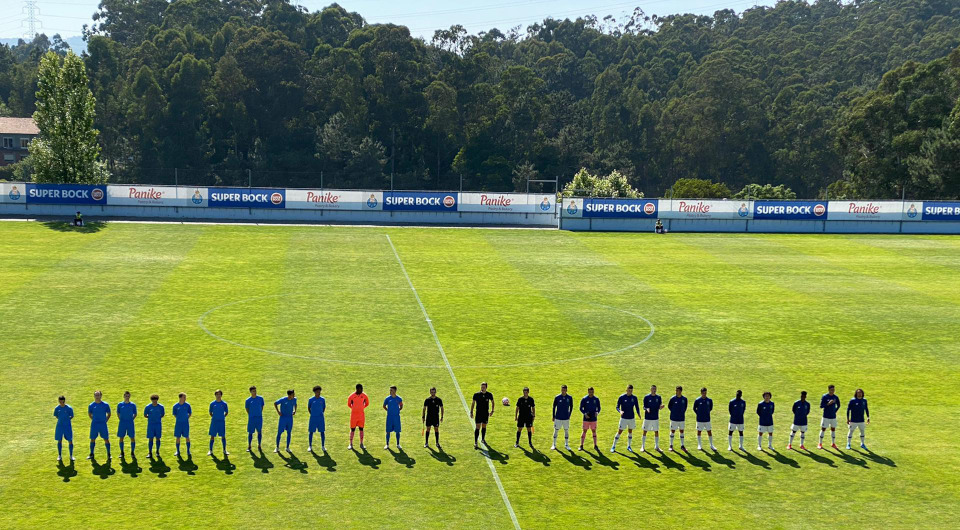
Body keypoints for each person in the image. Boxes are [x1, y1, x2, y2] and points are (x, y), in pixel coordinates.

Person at [611, 384, 640, 453]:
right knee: (619, 431)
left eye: (631, 391)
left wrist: (638, 413)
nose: (630, 392)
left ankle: (629, 446)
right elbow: (617, 407)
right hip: (623, 418)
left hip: (631, 418)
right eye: (629, 390)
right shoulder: (622, 397)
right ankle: (613, 446)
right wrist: (620, 411)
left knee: (630, 431)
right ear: (626, 390)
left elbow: (637, 407)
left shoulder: (634, 398)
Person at [87, 390, 111, 460]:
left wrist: (105, 420)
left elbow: (109, 414)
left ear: (101, 396)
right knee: (92, 439)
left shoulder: (105, 405)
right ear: (94, 396)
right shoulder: (91, 405)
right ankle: (91, 454)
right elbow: (89, 414)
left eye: (98, 395)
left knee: (106, 439)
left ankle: (109, 454)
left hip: (103, 425)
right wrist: (94, 420)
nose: (97, 397)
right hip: (94, 425)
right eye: (96, 395)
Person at [470, 382, 495, 449]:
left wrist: (492, 411)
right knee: (478, 427)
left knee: (484, 426)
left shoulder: (489, 395)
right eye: (481, 387)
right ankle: (475, 442)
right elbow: (473, 403)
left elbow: (492, 402)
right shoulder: (476, 395)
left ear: (486, 387)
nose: (482, 388)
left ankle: (483, 439)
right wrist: (471, 412)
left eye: (484, 387)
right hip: (478, 413)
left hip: (485, 414)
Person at [641, 385, 664, 452]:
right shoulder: (646, 397)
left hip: (655, 417)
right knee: (645, 431)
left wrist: (661, 407)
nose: (654, 390)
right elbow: (644, 407)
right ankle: (643, 446)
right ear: (650, 389)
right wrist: (646, 409)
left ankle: (657, 446)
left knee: (656, 431)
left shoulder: (658, 397)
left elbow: (659, 406)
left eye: (655, 389)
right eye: (653, 389)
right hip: (647, 418)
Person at [551, 385, 574, 451]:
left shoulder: (569, 398)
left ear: (566, 390)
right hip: (558, 417)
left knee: (566, 430)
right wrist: (553, 416)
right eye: (562, 390)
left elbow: (571, 406)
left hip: (566, 418)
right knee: (556, 430)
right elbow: (554, 407)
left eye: (564, 390)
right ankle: (554, 444)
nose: (563, 391)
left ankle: (566, 444)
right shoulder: (557, 397)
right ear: (561, 390)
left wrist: (569, 415)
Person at [818, 385, 841, 450]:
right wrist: (828, 404)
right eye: (831, 390)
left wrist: (835, 411)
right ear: (828, 390)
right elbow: (821, 406)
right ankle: (820, 443)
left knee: (833, 429)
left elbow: (839, 405)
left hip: (833, 417)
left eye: (833, 390)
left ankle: (833, 443)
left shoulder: (835, 397)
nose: (832, 391)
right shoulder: (825, 396)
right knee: (823, 429)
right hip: (826, 416)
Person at [116, 391, 137, 458]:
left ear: (129, 396)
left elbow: (135, 414)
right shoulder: (120, 405)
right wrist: (121, 419)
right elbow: (118, 413)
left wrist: (131, 419)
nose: (127, 397)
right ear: (124, 396)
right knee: (121, 437)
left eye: (128, 396)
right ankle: (122, 452)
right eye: (126, 396)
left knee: (132, 438)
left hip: (130, 423)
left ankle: (132, 452)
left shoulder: (133, 405)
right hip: (122, 423)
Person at [347, 384, 368, 450]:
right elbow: (349, 404)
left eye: (362, 389)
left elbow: (367, 403)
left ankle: (361, 443)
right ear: (357, 389)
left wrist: (362, 408)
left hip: (361, 415)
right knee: (352, 429)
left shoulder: (364, 396)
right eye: (360, 389)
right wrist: (354, 408)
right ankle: (350, 444)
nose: (361, 390)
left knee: (361, 429)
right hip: (354, 415)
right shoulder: (352, 396)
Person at [208, 390, 229, 456]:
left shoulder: (224, 404)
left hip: (221, 422)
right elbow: (210, 413)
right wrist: (215, 417)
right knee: (212, 436)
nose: (218, 395)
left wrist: (222, 417)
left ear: (221, 395)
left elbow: (226, 412)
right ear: (215, 395)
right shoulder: (212, 404)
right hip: (214, 422)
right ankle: (210, 450)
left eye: (219, 394)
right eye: (217, 394)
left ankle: (224, 450)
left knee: (223, 436)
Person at [54, 395, 75, 461]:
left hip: (67, 427)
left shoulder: (69, 408)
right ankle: (59, 455)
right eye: (60, 402)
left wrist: (67, 420)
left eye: (62, 402)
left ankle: (71, 455)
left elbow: (72, 416)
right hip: (60, 426)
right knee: (59, 440)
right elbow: (56, 416)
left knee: (70, 440)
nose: (61, 403)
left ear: (64, 401)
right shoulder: (57, 408)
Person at [667, 386, 688, 452]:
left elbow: (685, 407)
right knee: (672, 431)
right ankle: (671, 445)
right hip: (674, 418)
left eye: (678, 391)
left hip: (681, 418)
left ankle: (682, 445)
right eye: (676, 390)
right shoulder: (672, 399)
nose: (677, 392)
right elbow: (669, 406)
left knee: (681, 431)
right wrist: (674, 412)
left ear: (681, 391)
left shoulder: (684, 399)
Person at [143, 394, 164, 458]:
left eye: (155, 400)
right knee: (150, 439)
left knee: (158, 438)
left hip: (158, 425)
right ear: (151, 400)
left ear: (157, 400)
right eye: (153, 400)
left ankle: (157, 451)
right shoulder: (148, 407)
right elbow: (145, 415)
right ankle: (150, 452)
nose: (154, 402)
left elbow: (162, 414)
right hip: (151, 425)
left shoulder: (161, 407)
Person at [245, 386, 264, 452]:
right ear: (250, 392)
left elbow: (262, 406)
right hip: (251, 419)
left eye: (255, 391)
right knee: (250, 432)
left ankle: (259, 445)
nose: (254, 392)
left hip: (259, 418)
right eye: (253, 391)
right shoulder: (248, 400)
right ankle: (249, 445)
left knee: (259, 431)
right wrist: (251, 414)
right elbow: (247, 409)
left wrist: (258, 413)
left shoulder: (260, 398)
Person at [173, 392, 192, 457]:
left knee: (187, 437)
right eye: (184, 397)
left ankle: (188, 450)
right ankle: (177, 451)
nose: (185, 398)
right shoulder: (175, 406)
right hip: (178, 424)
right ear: (180, 397)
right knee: (178, 437)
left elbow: (190, 413)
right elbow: (175, 414)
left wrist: (186, 418)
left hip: (185, 424)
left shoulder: (187, 405)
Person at [308, 385, 326, 453]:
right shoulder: (311, 400)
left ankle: (323, 446)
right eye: (317, 392)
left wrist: (320, 413)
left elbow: (324, 407)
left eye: (319, 392)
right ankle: (310, 446)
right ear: (314, 392)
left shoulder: (322, 399)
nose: (318, 393)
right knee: (311, 432)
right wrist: (313, 414)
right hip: (313, 418)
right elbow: (309, 408)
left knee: (322, 432)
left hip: (321, 418)